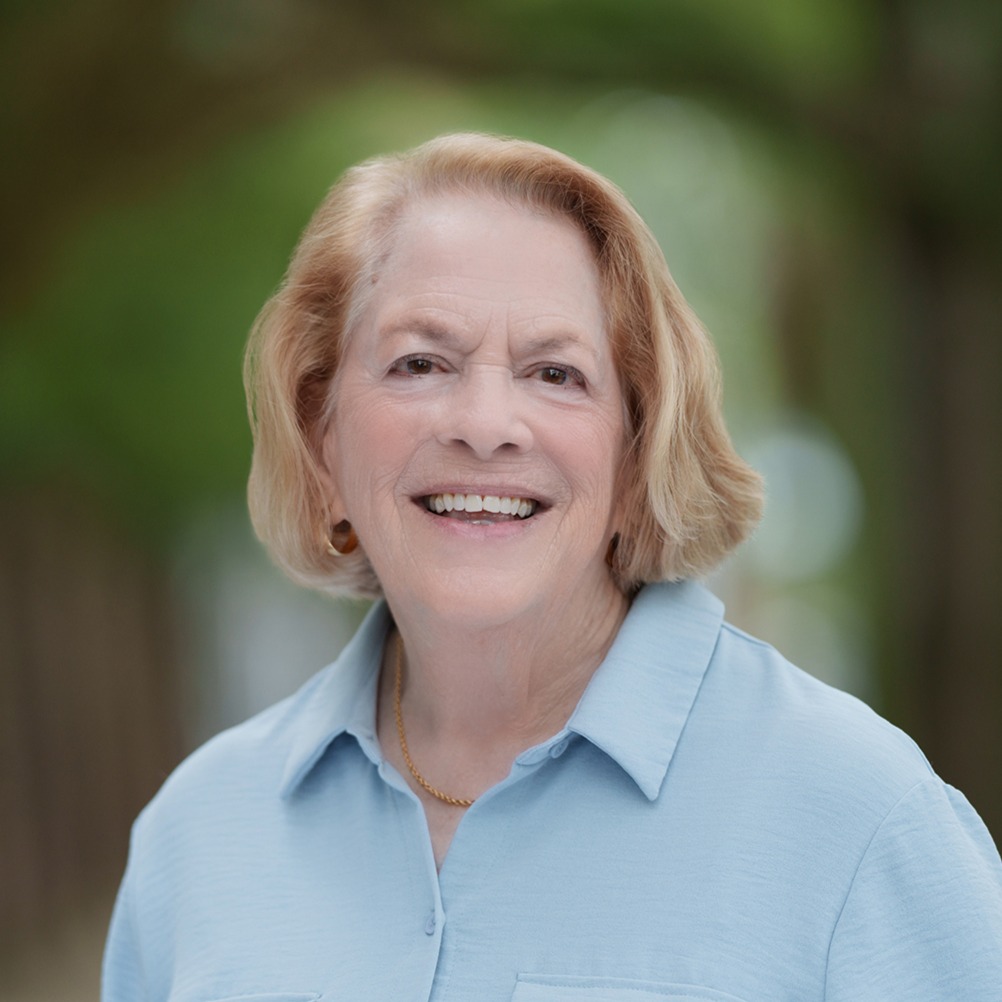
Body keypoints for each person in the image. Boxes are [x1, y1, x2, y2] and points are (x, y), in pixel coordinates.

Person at [102, 133, 1002, 1001]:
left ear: (637, 451)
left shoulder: (860, 821)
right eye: (420, 362)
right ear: (320, 436)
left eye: (556, 373)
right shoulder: (196, 839)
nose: (485, 424)